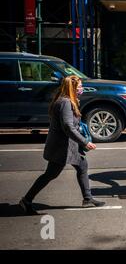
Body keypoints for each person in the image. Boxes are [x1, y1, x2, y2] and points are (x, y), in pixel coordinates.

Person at [19, 75, 105, 214]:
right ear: (71, 88)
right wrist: (85, 142)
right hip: (62, 147)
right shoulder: (65, 102)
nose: (81, 89)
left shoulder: (67, 100)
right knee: (50, 174)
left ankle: (87, 199)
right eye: (79, 87)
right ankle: (26, 200)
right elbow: (68, 127)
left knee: (82, 165)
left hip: (69, 145)